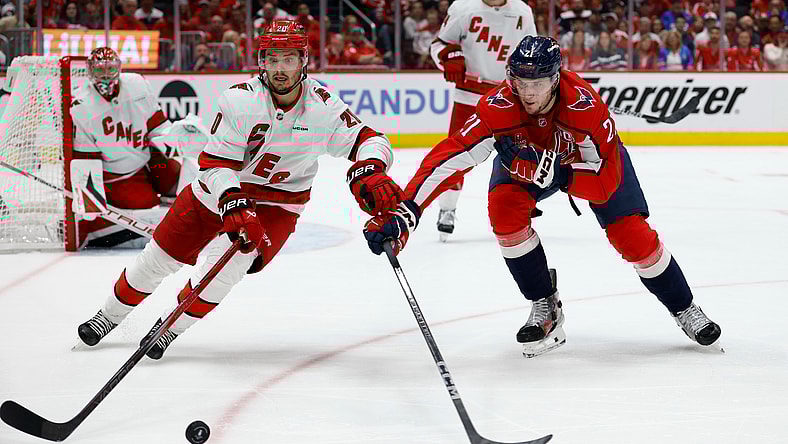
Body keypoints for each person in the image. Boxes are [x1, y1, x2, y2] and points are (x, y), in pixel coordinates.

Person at [362, 35, 722, 358]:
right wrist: (406, 210)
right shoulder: (498, 106)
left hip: (590, 170)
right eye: (521, 81)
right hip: (522, 162)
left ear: (555, 79)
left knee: (632, 238)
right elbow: (450, 155)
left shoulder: (586, 109)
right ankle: (544, 305)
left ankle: (684, 307)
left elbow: (604, 184)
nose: (528, 91)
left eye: (537, 82)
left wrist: (562, 175)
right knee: (503, 212)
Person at [76, 21, 400, 359]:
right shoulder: (240, 100)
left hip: (280, 202)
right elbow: (216, 165)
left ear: (303, 60)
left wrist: (371, 168)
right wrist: (234, 202)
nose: (279, 68)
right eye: (272, 59)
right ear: (261, 60)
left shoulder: (322, 107)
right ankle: (107, 317)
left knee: (228, 268)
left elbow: (370, 139)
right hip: (217, 192)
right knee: (158, 258)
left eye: (288, 59)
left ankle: (170, 328)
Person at [429, 0, 535, 241]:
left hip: (508, 98)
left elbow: (531, 52)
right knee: (456, 157)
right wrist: (447, 57)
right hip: (469, 98)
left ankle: (521, 209)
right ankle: (447, 208)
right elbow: (438, 45)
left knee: (521, 156)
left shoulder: (522, 11)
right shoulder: (464, 8)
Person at [70, 47, 193, 249]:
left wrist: (179, 142)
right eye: (100, 71)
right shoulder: (81, 105)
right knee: (148, 206)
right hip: (118, 172)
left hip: (147, 157)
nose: (107, 76)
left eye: (111, 69)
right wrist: (89, 201)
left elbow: (157, 126)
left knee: (182, 180)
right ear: (90, 72)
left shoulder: (137, 84)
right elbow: (87, 159)